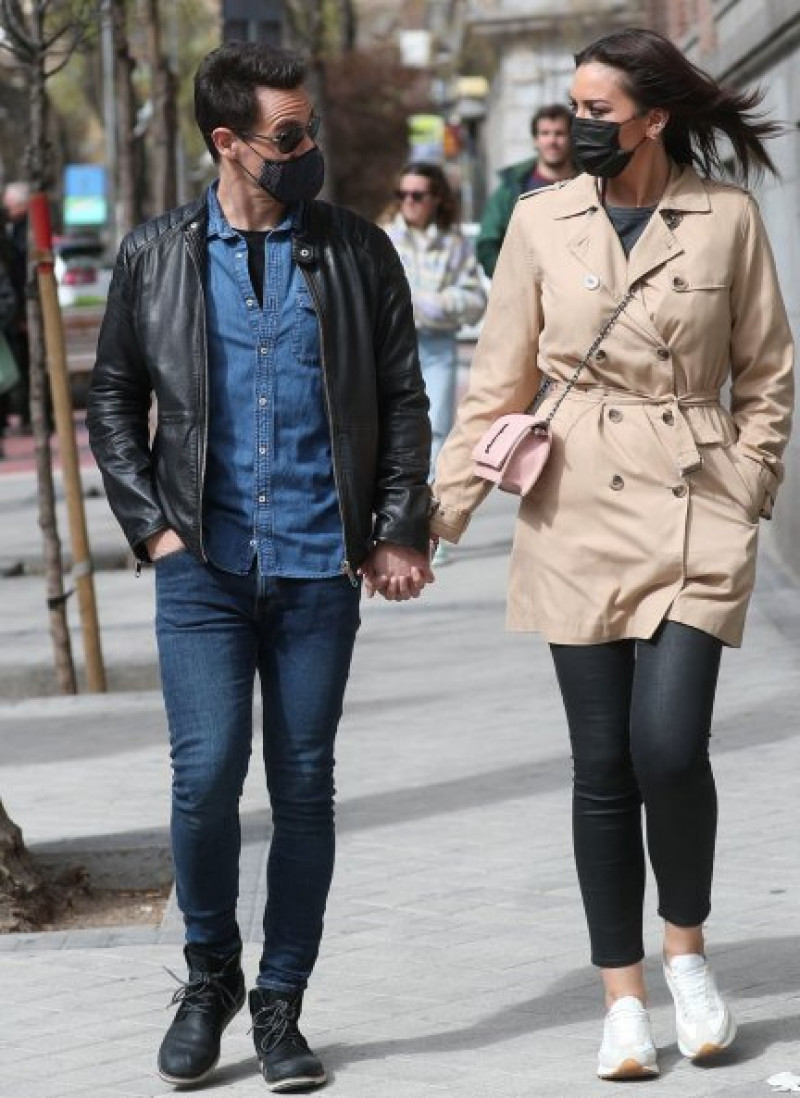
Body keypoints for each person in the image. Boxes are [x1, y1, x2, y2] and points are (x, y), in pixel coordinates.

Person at [430, 27, 793, 1082]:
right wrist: (434, 520)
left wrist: (747, 484)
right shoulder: (540, 222)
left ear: (653, 118)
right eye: (573, 108)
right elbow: (496, 385)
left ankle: (686, 958)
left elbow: (766, 372)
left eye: (597, 109)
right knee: (601, 765)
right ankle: (621, 999)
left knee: (668, 746)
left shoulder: (723, 219)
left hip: (694, 502)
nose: (580, 125)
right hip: (573, 507)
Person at [87, 41, 433, 1093]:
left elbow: (403, 400)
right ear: (227, 144)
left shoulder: (354, 250)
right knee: (202, 782)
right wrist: (152, 527)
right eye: (287, 137)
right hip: (202, 566)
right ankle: (209, 979)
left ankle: (280, 1004)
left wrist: (394, 525)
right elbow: (110, 400)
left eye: (310, 130)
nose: (307, 149)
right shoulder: (154, 255)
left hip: (317, 564)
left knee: (304, 784)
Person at [382, 162, 485, 565]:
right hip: (392, 347)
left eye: (418, 195)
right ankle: (393, 524)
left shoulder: (454, 244)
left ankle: (428, 530)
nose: (409, 202)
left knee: (437, 432)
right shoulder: (384, 239)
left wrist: (423, 304)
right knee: (392, 432)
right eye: (402, 194)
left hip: (438, 347)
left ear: (436, 199)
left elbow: (475, 300)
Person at [475, 103, 574, 278]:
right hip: (525, 287)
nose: (552, 141)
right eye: (545, 133)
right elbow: (487, 242)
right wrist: (509, 278)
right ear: (535, 140)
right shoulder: (511, 188)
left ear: (571, 138)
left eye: (559, 133)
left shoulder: (590, 183)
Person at [2, 181, 30, 430]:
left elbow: (17, 278)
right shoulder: (12, 232)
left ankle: (27, 415)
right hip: (14, 315)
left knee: (21, 369)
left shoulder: (23, 233)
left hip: (14, 318)